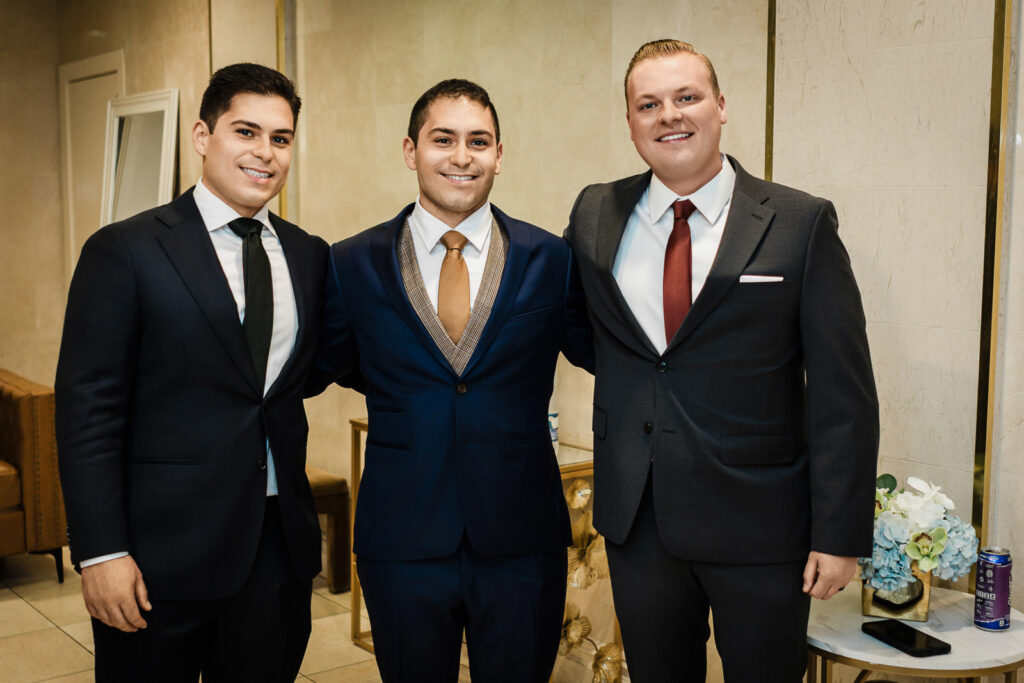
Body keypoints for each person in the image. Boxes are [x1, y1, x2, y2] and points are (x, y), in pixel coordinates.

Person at [563, 40, 879, 681]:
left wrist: (840, 535)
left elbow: (843, 392)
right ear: (629, 122)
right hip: (639, 521)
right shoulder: (597, 210)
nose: (668, 116)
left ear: (721, 106)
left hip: (761, 526)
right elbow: (583, 330)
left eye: (686, 97)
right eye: (647, 104)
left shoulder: (799, 222)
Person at [308, 79, 593, 683]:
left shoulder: (552, 260)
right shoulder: (351, 261)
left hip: (521, 541)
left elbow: (603, 354)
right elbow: (331, 365)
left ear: (498, 154)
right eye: (444, 139)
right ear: (411, 150)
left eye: (478, 142)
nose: (462, 157)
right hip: (403, 540)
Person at [55, 63, 327, 682]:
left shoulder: (309, 255)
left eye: (280, 139)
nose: (265, 153)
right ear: (203, 136)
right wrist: (101, 550)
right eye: (246, 132)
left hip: (275, 553)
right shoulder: (124, 250)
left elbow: (295, 382)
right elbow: (87, 414)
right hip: (157, 560)